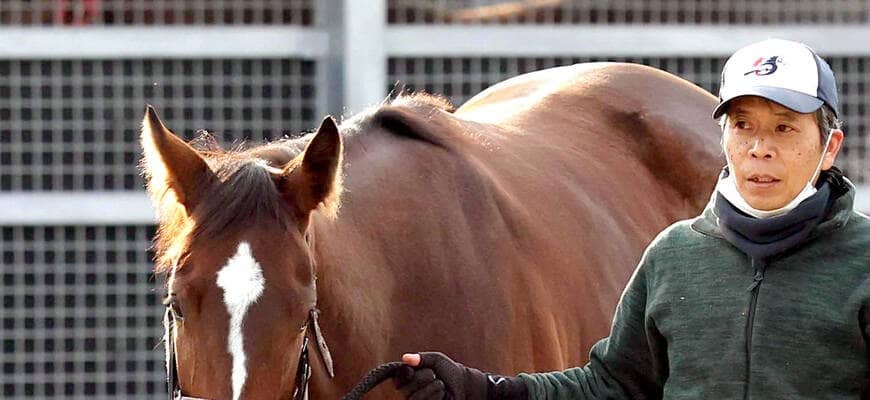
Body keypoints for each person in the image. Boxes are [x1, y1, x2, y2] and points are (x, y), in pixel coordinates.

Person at [394, 38, 870, 399]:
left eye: (784, 128)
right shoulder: (674, 255)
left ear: (829, 147)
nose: (759, 148)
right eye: (742, 126)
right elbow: (611, 384)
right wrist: (482, 389)